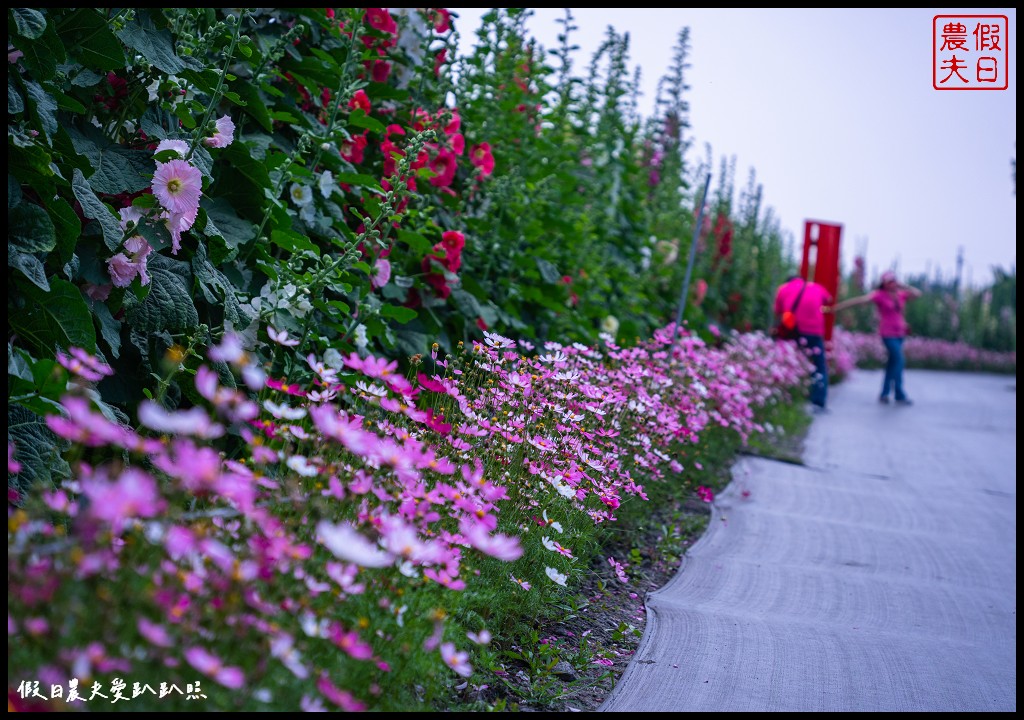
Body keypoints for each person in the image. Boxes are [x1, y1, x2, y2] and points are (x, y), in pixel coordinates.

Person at [832, 270, 922, 405]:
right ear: (884, 283)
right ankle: (899, 393)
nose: (893, 284)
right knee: (899, 360)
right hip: (888, 334)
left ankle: (885, 393)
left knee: (892, 363)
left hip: (900, 334)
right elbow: (859, 301)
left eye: (894, 281)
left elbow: (917, 294)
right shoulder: (879, 295)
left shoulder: (900, 295)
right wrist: (837, 308)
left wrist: (903, 285)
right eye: (890, 281)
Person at [774, 274, 834, 413]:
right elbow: (829, 299)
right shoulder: (816, 287)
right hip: (815, 331)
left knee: (789, 362)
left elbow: (778, 312)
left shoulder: (783, 289)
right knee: (819, 366)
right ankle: (818, 401)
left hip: (794, 331)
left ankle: (787, 396)